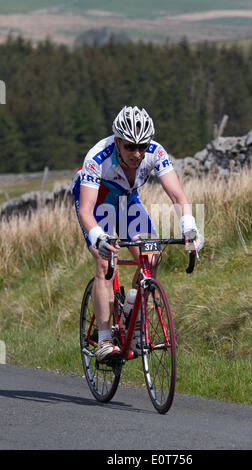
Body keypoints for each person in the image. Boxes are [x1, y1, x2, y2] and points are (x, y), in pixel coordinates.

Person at [71, 105, 204, 362]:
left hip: (127, 202)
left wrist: (189, 226)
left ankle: (132, 314)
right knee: (105, 260)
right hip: (97, 204)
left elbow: (177, 195)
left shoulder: (155, 152)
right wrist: (99, 237)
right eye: (130, 146)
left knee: (151, 255)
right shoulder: (97, 157)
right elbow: (87, 212)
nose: (137, 153)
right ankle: (104, 339)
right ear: (118, 142)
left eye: (142, 146)